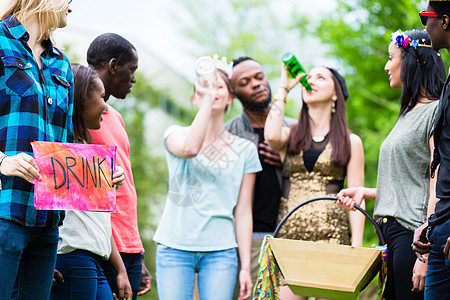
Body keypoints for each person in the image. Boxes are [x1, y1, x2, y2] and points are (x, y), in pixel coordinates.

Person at [339, 29, 445, 300]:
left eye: (391, 57)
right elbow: (411, 182)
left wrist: (424, 253)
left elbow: (437, 182)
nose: (387, 65)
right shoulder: (408, 113)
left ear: (412, 61)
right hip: (390, 236)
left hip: (413, 237)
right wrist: (367, 192)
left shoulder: (435, 112)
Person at [153, 57, 262, 300]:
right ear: (195, 97)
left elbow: (243, 212)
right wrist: (206, 100)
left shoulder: (245, 150)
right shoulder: (174, 134)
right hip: (174, 247)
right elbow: (191, 149)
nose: (213, 90)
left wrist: (245, 267)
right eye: (205, 86)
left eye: (219, 86)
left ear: (230, 98)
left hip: (221, 251)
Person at [265, 63, 365, 299]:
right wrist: (283, 88)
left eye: (321, 77)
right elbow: (270, 135)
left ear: (335, 94)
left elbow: (356, 198)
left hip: (332, 238)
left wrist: (357, 248)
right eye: (308, 77)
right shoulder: (290, 134)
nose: (310, 81)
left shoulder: (351, 142)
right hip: (289, 240)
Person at [0, 1, 74, 298]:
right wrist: (2, 161)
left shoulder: (62, 65)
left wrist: (101, 177)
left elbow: (64, 145)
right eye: (68, 2)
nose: (70, 9)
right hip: (5, 211)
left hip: (47, 223)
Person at [50, 63, 131, 300]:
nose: (106, 106)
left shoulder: (89, 154)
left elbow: (98, 221)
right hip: (73, 257)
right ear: (81, 100)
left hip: (95, 259)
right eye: (102, 97)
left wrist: (120, 268)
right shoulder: (57, 154)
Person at [86, 33, 152, 299]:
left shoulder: (116, 117)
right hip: (97, 244)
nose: (134, 79)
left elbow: (127, 191)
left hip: (129, 246)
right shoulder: (75, 114)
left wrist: (138, 251)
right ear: (114, 66)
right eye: (131, 70)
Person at [225, 57, 296, 298]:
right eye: (245, 82)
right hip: (248, 241)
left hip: (291, 237)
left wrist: (287, 160)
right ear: (233, 93)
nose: (256, 84)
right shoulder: (227, 134)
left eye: (259, 77)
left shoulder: (296, 129)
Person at [412, 1, 450, 298]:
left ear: (445, 21)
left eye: (427, 17)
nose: (425, 25)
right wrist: (431, 221)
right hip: (439, 226)